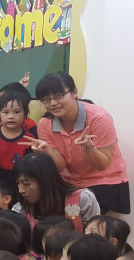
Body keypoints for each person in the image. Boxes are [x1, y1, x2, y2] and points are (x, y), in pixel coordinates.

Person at [31, 72, 129, 216]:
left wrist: (89, 148)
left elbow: (102, 165)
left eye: (58, 96)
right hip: (70, 183)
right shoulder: (45, 124)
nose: (52, 103)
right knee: (58, 218)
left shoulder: (99, 118)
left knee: (85, 223)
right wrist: (47, 152)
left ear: (75, 92)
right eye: (46, 99)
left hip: (104, 181)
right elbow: (61, 166)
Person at [14, 153, 100, 231]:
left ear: (45, 181)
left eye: (26, 184)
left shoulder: (83, 199)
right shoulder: (20, 209)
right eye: (18, 183)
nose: (20, 190)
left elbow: (95, 236)